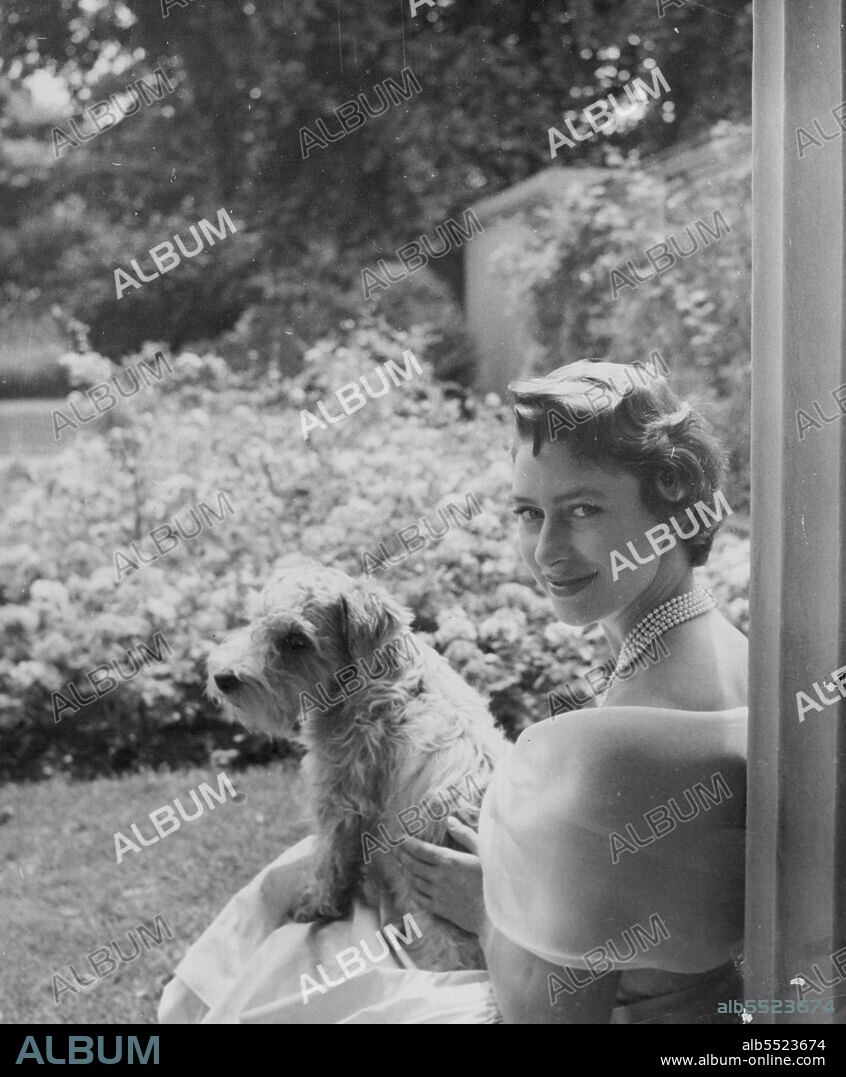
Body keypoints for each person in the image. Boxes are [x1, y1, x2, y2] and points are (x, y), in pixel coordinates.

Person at [158, 360, 747, 1024]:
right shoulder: (735, 654)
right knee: (296, 893)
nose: (547, 549)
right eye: (528, 512)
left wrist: (488, 904)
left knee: (280, 961)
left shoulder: (610, 746)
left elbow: (546, 1014)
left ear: (672, 499)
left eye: (583, 508)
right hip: (708, 1009)